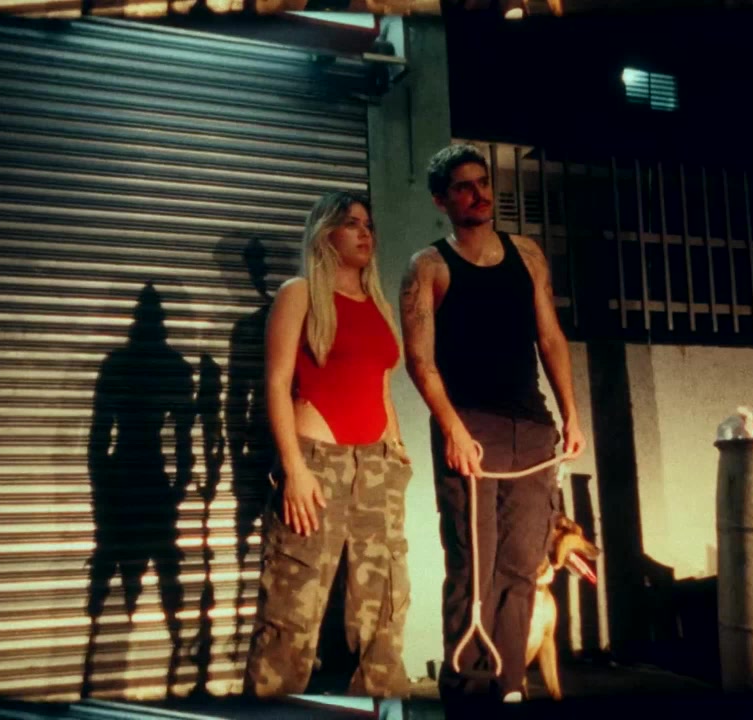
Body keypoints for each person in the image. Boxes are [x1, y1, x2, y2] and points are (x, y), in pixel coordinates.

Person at [399, 144, 587, 705]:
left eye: (483, 182)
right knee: (471, 565)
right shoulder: (428, 266)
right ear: (442, 200)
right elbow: (420, 361)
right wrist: (453, 429)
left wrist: (571, 413)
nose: (479, 194)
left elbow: (549, 336)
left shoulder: (526, 254)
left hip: (531, 427)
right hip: (470, 428)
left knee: (522, 563)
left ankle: (509, 685)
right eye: (464, 186)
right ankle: (467, 687)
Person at [243, 191, 412, 699]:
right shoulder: (298, 294)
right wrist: (294, 469)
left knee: (383, 608)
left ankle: (382, 705)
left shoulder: (379, 304)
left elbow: (382, 384)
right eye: (351, 223)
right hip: (318, 463)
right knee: (292, 610)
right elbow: (276, 384)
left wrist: (397, 450)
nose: (365, 233)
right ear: (325, 233)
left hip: (378, 468)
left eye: (368, 224)